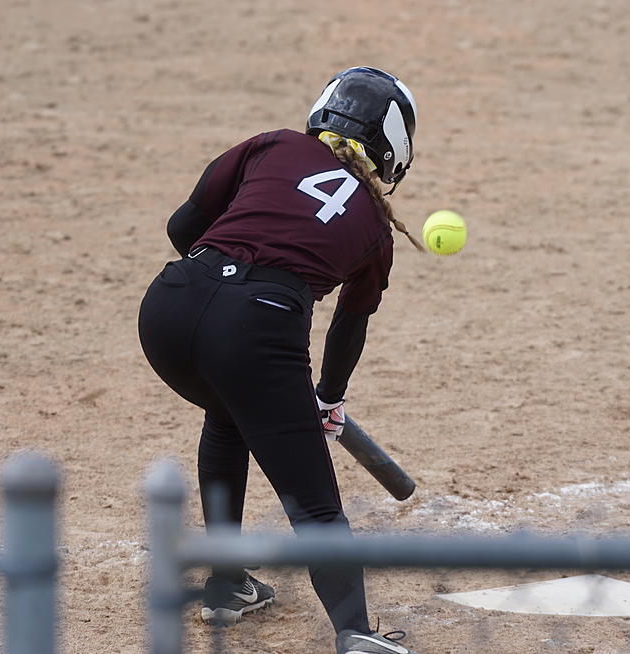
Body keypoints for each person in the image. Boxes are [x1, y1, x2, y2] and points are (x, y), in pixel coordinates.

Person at [137, 67, 425, 654]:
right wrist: (328, 395)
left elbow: (183, 225)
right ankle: (356, 636)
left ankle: (226, 583)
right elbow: (350, 322)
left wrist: (216, 287)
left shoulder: (271, 144)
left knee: (227, 415)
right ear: (392, 148)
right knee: (317, 505)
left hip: (167, 308)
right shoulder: (375, 225)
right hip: (254, 332)